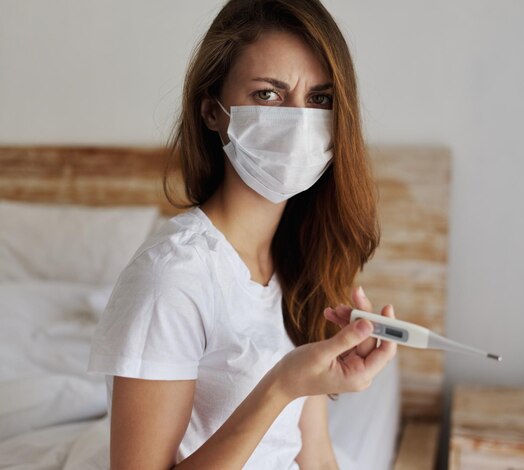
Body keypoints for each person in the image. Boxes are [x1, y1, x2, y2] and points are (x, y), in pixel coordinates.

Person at [87, 0, 397, 468]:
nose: (298, 122)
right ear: (213, 112)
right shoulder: (171, 278)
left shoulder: (301, 261)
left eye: (320, 100)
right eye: (268, 95)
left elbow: (313, 454)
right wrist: (282, 384)